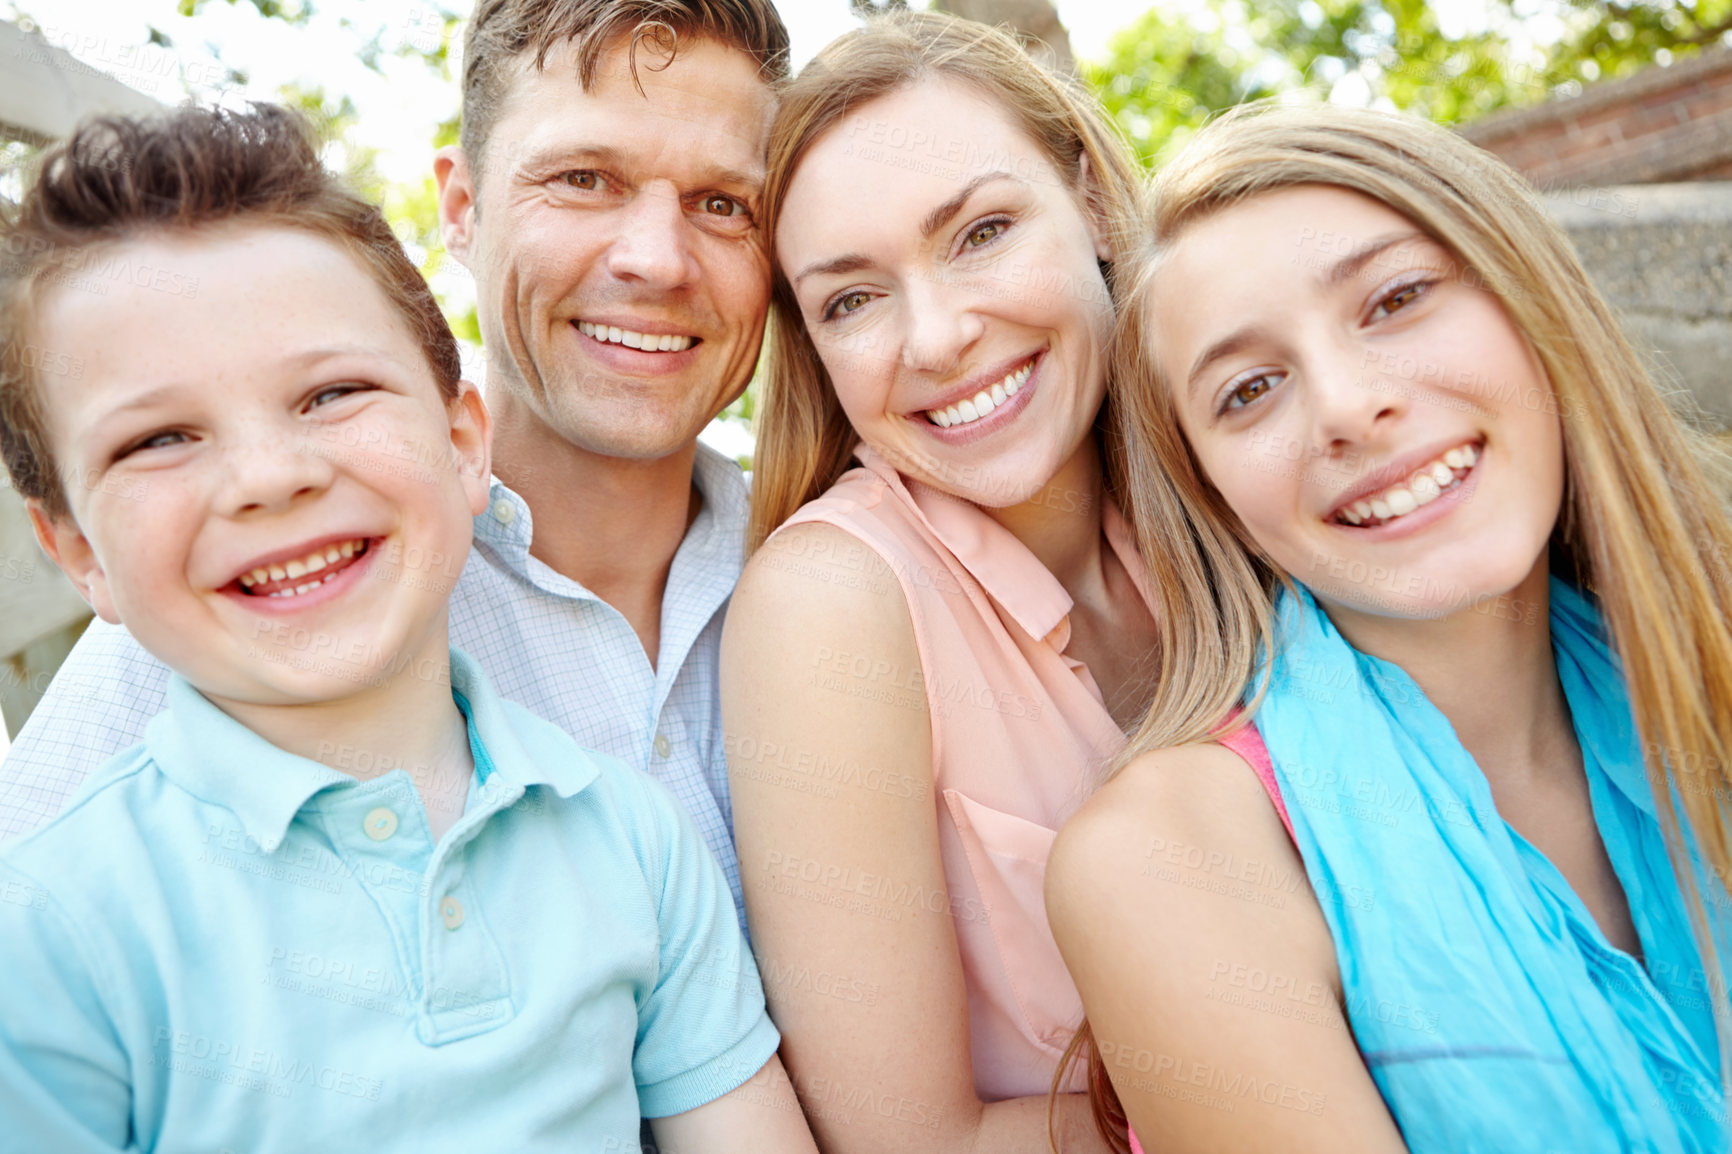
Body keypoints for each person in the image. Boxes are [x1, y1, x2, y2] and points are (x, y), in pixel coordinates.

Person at [0, 103, 816, 1153]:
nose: (271, 475)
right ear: (77, 551)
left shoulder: (629, 836)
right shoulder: (51, 927)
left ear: (465, 443)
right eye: (161, 437)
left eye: (332, 392)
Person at [0, 0, 784, 927]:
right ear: (461, 208)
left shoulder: (822, 553)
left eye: (724, 204)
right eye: (583, 179)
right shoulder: (253, 608)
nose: (657, 260)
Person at [1046, 103, 1732, 1154]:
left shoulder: (1711, 624)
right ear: (1214, 497)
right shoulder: (1171, 859)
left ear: (1528, 296)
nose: (1347, 406)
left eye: (1396, 298)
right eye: (1248, 389)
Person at [721, 12, 1264, 1151]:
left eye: (979, 232)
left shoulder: (1234, 484)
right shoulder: (833, 604)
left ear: (1095, 203)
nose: (937, 335)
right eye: (852, 298)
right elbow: (912, 1139)